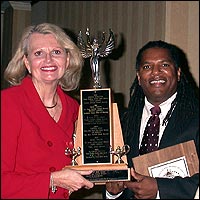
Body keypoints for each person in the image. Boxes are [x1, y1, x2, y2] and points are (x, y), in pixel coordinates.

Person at [1, 23, 94, 199]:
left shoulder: (74, 108)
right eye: (38, 53)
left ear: (67, 60)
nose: (49, 60)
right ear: (27, 62)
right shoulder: (7, 104)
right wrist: (52, 180)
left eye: (56, 52)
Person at [104, 40, 199, 199]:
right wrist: (113, 193)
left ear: (178, 72)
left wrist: (160, 189)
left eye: (165, 65)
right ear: (139, 77)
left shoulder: (195, 119)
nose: (156, 72)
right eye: (147, 67)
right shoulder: (122, 123)